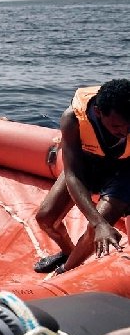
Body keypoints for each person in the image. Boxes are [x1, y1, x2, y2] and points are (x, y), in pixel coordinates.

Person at [34, 79, 130, 275]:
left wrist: (101, 222)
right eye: (118, 126)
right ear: (98, 112)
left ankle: (65, 271)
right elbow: (72, 173)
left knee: (97, 229)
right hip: (88, 164)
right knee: (46, 218)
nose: (125, 132)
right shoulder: (72, 119)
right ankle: (68, 252)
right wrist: (99, 222)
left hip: (125, 171)